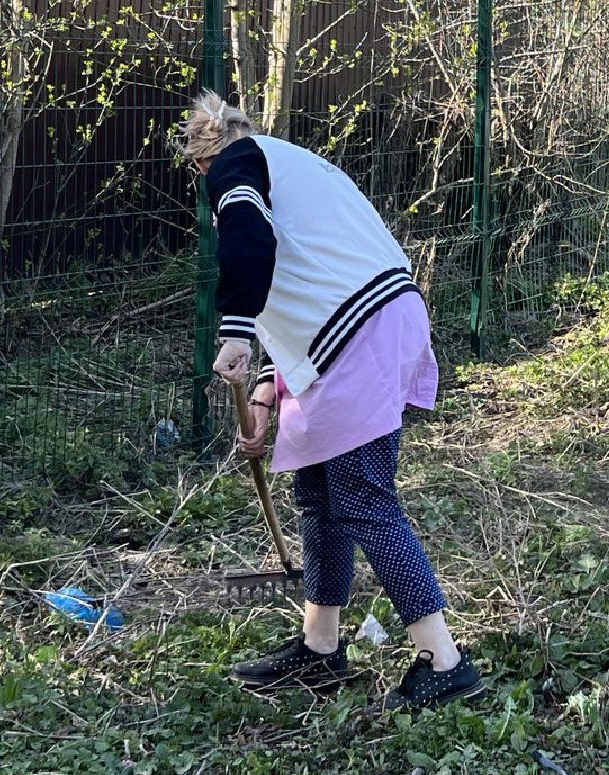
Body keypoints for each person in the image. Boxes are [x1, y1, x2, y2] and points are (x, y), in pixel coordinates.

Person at [180, 91, 485, 707]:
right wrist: (267, 391)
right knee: (319, 493)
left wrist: (234, 333)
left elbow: (249, 244)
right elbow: (308, 290)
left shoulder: (237, 165)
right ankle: (321, 648)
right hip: (367, 324)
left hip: (363, 332)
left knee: (362, 497)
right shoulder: (293, 167)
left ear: (201, 159)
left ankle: (446, 661)